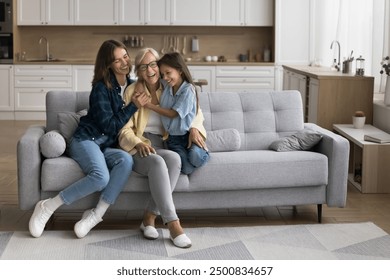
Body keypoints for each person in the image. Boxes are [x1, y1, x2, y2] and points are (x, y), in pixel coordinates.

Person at [28, 39, 148, 239]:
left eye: (125, 56)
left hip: (106, 146)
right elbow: (109, 125)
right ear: (108, 65)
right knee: (101, 177)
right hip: (86, 140)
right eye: (117, 60)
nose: (124, 63)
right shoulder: (101, 88)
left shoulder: (132, 87)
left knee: (125, 160)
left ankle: (96, 214)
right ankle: (48, 206)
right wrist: (133, 106)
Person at [118, 48, 207, 248]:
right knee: (158, 161)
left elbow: (195, 109)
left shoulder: (170, 87)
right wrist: (137, 142)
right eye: (143, 67)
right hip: (139, 146)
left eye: (153, 65)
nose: (149, 71)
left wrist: (194, 127)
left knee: (174, 159)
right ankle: (173, 224)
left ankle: (149, 217)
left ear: (160, 66)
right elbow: (123, 130)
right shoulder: (132, 92)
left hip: (164, 144)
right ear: (138, 72)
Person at [147, 52, 210, 174]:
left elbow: (173, 114)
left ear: (180, 70)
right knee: (186, 169)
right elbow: (149, 78)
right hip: (173, 140)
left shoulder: (188, 90)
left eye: (168, 73)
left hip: (188, 137)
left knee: (195, 158)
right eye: (163, 74)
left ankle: (205, 153)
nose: (165, 77)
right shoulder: (167, 85)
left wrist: (149, 106)